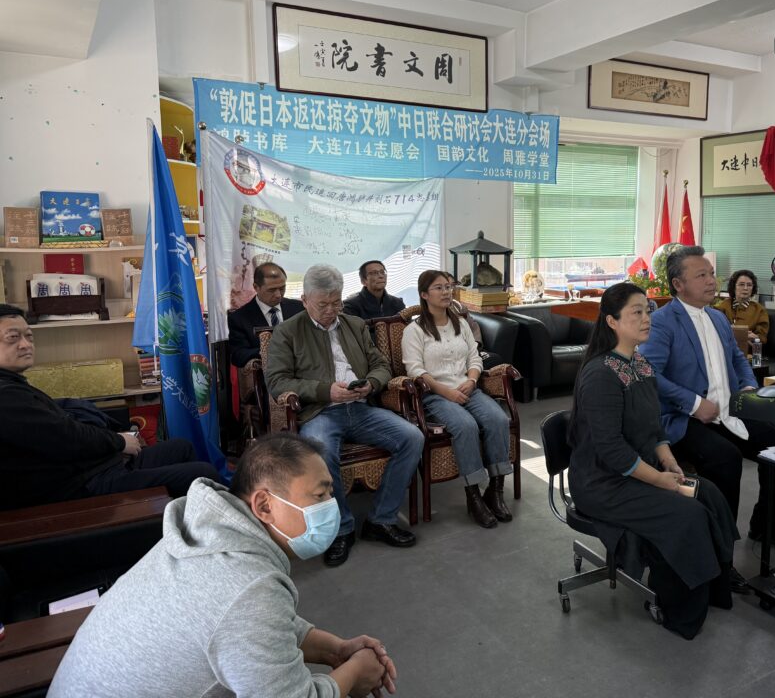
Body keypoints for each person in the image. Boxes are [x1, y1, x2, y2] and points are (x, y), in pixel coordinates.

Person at [50, 432, 398, 698]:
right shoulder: (247, 587)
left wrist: (336, 649)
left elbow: (255, 627)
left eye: (330, 493)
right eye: (319, 495)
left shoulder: (209, 535)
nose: (331, 506)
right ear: (264, 506)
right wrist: (354, 674)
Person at [569, 282, 738, 639]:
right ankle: (679, 611)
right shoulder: (600, 374)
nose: (647, 318)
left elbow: (653, 427)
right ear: (612, 321)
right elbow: (612, 450)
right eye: (637, 312)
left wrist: (668, 461)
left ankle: (713, 591)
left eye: (647, 311)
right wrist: (659, 480)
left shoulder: (641, 365)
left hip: (639, 469)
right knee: (686, 515)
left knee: (709, 495)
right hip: (603, 483)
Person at [638, 247, 775, 556]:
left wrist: (747, 385)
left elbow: (737, 358)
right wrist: (695, 403)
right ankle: (719, 552)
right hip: (685, 418)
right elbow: (649, 374)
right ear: (678, 284)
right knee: (725, 458)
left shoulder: (718, 318)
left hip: (729, 410)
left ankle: (771, 527)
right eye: (701, 275)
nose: (711, 281)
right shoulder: (662, 322)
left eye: (711, 274)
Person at [265, 265, 422, 567]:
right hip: (320, 411)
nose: (330, 311)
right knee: (321, 452)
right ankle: (341, 529)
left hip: (361, 408)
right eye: (322, 304)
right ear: (305, 300)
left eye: (336, 302)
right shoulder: (288, 332)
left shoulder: (355, 324)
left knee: (412, 437)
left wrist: (371, 384)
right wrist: (325, 391)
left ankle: (381, 519)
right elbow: (278, 382)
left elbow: (381, 365)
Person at [0, 304, 218, 510]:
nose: (25, 345)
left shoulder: (13, 384)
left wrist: (115, 440)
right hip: (80, 484)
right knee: (202, 473)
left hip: (95, 465)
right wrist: (119, 441)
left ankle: (185, 522)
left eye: (29, 336)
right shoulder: (7, 397)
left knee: (181, 447)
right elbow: (67, 437)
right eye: (12, 338)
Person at [402, 270, 512, 527]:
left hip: (467, 387)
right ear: (424, 295)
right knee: (465, 426)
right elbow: (415, 370)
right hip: (435, 395)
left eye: (448, 287)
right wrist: (445, 391)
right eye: (439, 288)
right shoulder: (414, 330)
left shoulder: (460, 324)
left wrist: (472, 381)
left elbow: (475, 357)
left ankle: (495, 491)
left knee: (498, 419)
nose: (446, 292)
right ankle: (473, 496)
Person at [228, 262, 304, 367]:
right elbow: (238, 355)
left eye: (282, 288)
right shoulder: (240, 318)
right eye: (271, 290)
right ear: (256, 287)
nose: (278, 295)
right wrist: (267, 351)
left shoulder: (299, 308)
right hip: (267, 372)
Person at [713, 269, 769, 345]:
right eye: (741, 284)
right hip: (725, 347)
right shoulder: (722, 307)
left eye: (749, 285)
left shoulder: (759, 310)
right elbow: (715, 331)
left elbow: (762, 338)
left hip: (747, 348)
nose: (745, 288)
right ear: (734, 287)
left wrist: (754, 337)